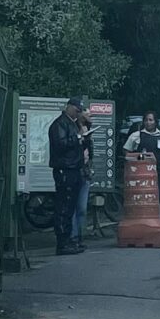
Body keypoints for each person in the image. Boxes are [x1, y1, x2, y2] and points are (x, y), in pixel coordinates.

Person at [47, 97, 92, 254]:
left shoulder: (70, 124)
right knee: (64, 207)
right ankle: (62, 242)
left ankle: (68, 240)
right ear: (70, 107)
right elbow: (60, 144)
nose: (79, 113)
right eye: (77, 110)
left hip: (73, 169)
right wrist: (78, 137)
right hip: (64, 169)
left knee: (69, 207)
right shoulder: (60, 124)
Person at [125, 111, 160, 219]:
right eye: (146, 120)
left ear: (155, 122)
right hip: (141, 175)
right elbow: (126, 152)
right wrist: (141, 158)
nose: (148, 123)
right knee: (142, 200)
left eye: (151, 120)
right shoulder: (136, 136)